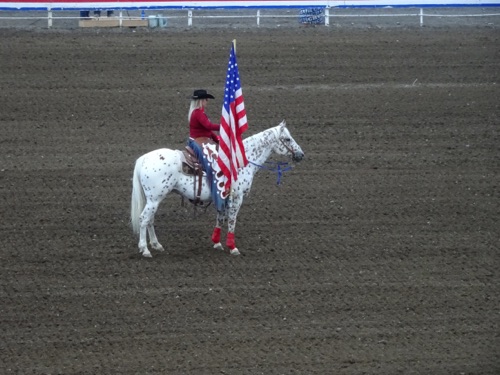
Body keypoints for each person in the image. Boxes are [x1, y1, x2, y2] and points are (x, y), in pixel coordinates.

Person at [187, 89, 226, 212]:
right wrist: (225, 126)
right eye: (205, 99)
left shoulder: (199, 112)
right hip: (198, 142)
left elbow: (207, 131)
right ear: (200, 101)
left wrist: (218, 140)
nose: (207, 101)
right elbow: (209, 127)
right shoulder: (198, 113)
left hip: (202, 140)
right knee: (212, 165)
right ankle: (216, 194)